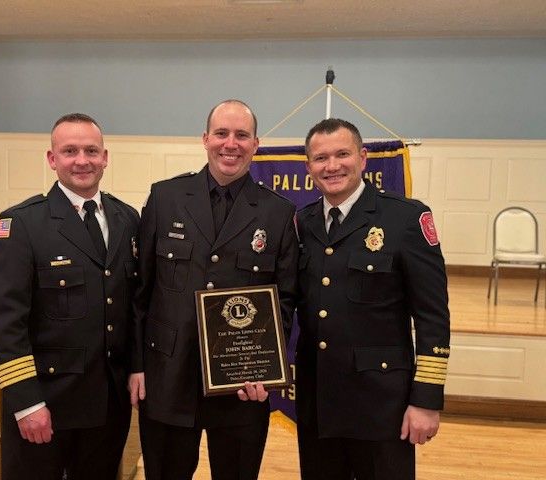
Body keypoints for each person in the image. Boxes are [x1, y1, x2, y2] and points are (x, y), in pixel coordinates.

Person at [129, 99, 299, 480]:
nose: (230, 144)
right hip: (167, 376)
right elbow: (141, 291)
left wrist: (266, 369)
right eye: (221, 133)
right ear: (205, 139)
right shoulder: (165, 198)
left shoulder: (278, 212)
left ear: (256, 144)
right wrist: (136, 364)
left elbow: (284, 301)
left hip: (241, 385)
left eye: (242, 135)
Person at [0, 113, 139, 480]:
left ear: (105, 157)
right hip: (48, 403)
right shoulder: (22, 223)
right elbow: (5, 321)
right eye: (70, 151)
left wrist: (137, 368)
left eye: (91, 151)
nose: (82, 160)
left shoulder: (127, 219)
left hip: (109, 406)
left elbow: (133, 307)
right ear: (52, 159)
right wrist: (26, 402)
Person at [295, 118, 450, 480]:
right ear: (309, 167)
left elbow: (432, 317)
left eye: (342, 154)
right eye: (321, 158)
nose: (332, 166)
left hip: (382, 405)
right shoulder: (303, 223)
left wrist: (426, 399)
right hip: (319, 402)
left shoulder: (405, 219)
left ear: (363, 158)